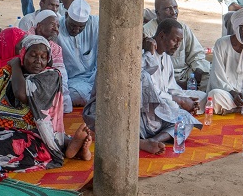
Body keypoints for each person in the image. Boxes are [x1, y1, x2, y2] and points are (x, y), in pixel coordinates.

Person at [0, 35, 92, 178]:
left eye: (43, 57)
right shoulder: (7, 73)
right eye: (33, 55)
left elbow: (21, 93)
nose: (38, 61)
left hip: (32, 138)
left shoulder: (50, 76)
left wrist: (15, 65)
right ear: (23, 54)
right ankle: (73, 147)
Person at [85, 19, 201, 155]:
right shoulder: (138, 56)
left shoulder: (166, 58)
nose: (178, 45)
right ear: (162, 35)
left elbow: (170, 88)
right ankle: (140, 141)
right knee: (116, 126)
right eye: (175, 40)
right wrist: (179, 101)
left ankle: (154, 140)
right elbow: (147, 89)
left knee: (186, 120)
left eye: (180, 41)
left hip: (154, 115)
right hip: (132, 114)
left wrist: (184, 100)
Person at [143, 0, 210, 90]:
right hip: (163, 77)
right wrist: (176, 83)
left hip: (186, 75)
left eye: (175, 7)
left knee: (210, 78)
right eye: (167, 9)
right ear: (157, 13)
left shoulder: (182, 28)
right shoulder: (147, 32)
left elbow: (196, 54)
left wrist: (197, 70)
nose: (174, 12)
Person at [57, 1, 98, 107]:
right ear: (66, 15)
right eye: (72, 25)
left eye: (81, 27)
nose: (76, 29)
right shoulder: (56, 28)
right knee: (71, 95)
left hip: (94, 77)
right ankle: (96, 100)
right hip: (72, 81)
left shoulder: (95, 24)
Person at [29, 10, 72, 113]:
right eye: (52, 25)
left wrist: (64, 99)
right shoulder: (26, 41)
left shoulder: (55, 48)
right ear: (39, 26)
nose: (56, 29)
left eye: (57, 26)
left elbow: (62, 75)